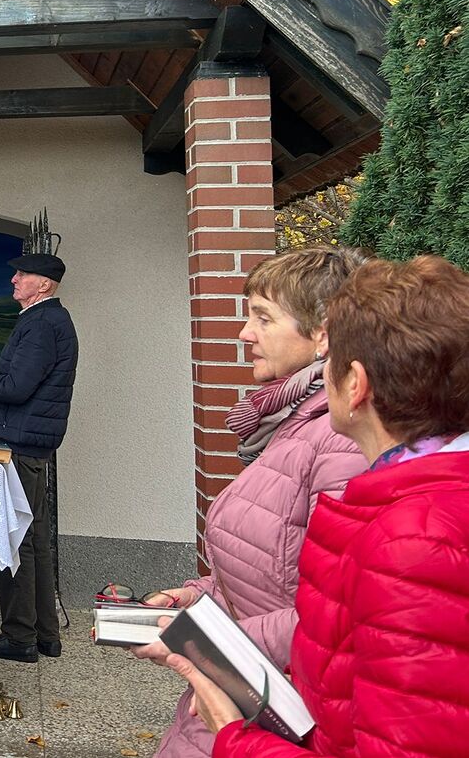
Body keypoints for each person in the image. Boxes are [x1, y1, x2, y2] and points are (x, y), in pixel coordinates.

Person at [171, 255, 469, 758]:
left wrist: (234, 736)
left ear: (355, 383)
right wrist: (202, 603)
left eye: (331, 362)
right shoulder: (404, 502)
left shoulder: (413, 538)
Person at [131, 247, 368, 758]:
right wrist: (195, 598)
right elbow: (275, 574)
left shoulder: (341, 439)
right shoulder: (295, 420)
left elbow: (339, 609)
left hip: (281, 712)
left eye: (263, 317)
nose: (244, 333)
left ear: (323, 333)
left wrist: (198, 639)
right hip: (245, 692)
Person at [0, 252, 77, 662]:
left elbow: (18, 386)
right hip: (26, 443)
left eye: (22, 274)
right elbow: (21, 386)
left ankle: (21, 636)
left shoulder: (43, 323)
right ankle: (44, 634)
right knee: (34, 539)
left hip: (20, 449)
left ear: (44, 284)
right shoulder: (42, 320)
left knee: (15, 539)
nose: (14, 279)